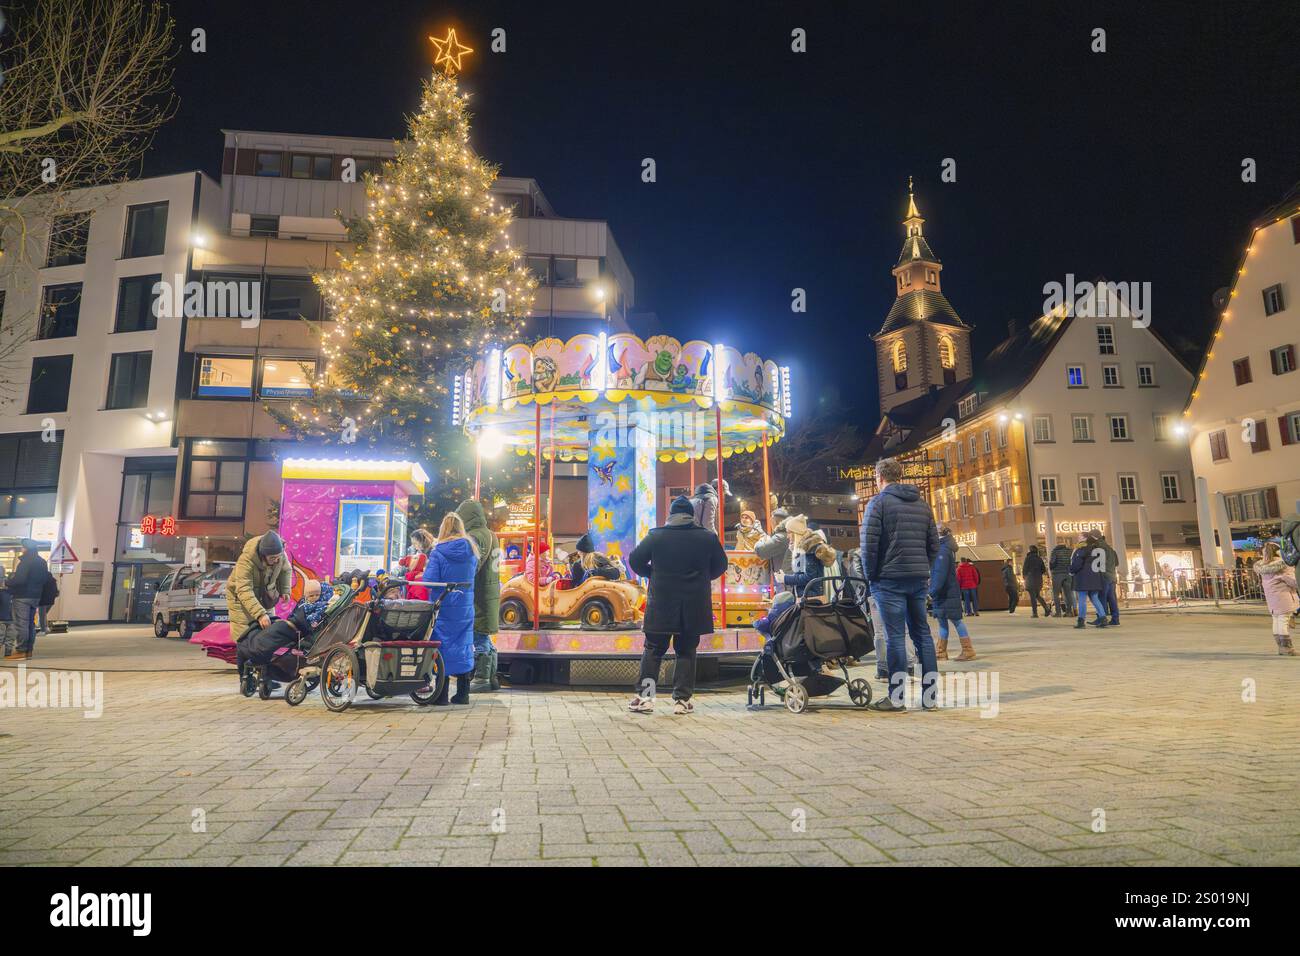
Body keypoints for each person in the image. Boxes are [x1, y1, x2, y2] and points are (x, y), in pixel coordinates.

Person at [626, 495, 729, 715]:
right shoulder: (707, 537)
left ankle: (646, 698)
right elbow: (721, 565)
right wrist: (702, 577)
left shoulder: (656, 536)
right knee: (686, 650)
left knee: (653, 650)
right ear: (691, 516)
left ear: (671, 515)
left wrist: (653, 573)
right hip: (694, 604)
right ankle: (682, 700)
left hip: (661, 603)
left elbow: (634, 560)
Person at [859, 457, 940, 712]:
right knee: (923, 636)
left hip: (888, 580)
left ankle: (897, 698)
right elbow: (934, 545)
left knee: (895, 637)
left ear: (879, 477)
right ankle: (930, 699)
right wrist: (923, 569)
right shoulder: (922, 504)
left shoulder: (878, 503)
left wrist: (871, 576)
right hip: (917, 580)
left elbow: (869, 546)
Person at [423, 512, 479, 705]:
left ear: (443, 529)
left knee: (443, 646)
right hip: (465, 605)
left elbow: (429, 581)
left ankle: (441, 694)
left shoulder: (439, 551)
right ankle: (463, 693)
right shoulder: (472, 549)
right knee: (463, 646)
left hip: (444, 605)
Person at [456, 499, 501, 690]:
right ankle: (492, 677)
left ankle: (481, 678)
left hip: (479, 593)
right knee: (485, 634)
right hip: (490, 591)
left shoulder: (475, 536)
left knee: (479, 635)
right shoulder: (491, 534)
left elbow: (471, 566)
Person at [225, 531, 292, 643]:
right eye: (272, 558)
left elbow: (286, 570)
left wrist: (285, 590)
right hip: (241, 600)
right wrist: (260, 614)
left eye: (278, 557)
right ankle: (244, 659)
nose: (276, 560)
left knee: (269, 632)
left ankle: (263, 659)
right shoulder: (246, 561)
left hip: (265, 596)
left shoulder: (279, 553)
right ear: (263, 555)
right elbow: (244, 589)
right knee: (245, 638)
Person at [929, 525, 976, 662]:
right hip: (946, 592)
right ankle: (941, 652)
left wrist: (932, 591)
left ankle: (968, 650)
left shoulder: (942, 551)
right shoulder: (945, 548)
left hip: (945, 593)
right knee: (943, 622)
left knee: (956, 620)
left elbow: (939, 574)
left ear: (938, 534)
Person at [4, 540, 51, 661]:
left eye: (23, 547)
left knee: (21, 624)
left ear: (26, 549)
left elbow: (20, 580)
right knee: (30, 624)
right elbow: (45, 579)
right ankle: (28, 651)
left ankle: (21, 651)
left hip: (22, 596)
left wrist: (7, 582)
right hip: (35, 596)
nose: (22, 549)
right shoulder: (41, 562)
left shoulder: (25, 562)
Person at [1254, 542, 1298, 655]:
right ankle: (1287, 649)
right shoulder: (1283, 566)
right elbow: (1294, 582)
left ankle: (1281, 647)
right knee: (1283, 621)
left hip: (1272, 600)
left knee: (1277, 620)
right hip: (1284, 598)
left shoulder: (1264, 568)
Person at [1069, 532, 1110, 628]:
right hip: (1095, 578)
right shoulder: (1095, 549)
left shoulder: (1082, 549)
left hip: (1083, 578)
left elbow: (1077, 564)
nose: (1078, 538)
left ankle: (1081, 621)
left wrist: (1071, 571)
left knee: (1082, 599)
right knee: (1095, 598)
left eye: (1079, 536)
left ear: (1085, 538)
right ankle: (1103, 618)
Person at [754, 507, 794, 591]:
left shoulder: (781, 537)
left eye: (771, 521)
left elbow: (760, 550)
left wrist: (761, 540)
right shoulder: (786, 534)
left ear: (775, 521)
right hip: (787, 580)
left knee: (784, 602)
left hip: (786, 583)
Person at [399, 528, 435, 601]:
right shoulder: (419, 552)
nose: (414, 546)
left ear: (422, 541)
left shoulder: (432, 552)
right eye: (413, 544)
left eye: (415, 543)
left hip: (425, 583)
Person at [1021, 546, 1050, 619]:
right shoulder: (1039, 558)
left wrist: (1024, 577)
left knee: (1033, 596)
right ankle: (1046, 608)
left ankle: (1035, 613)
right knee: (1037, 595)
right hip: (1038, 579)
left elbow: (1025, 569)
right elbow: (1043, 569)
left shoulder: (1028, 558)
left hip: (1030, 579)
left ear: (1030, 550)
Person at [1049, 539, 1075, 617]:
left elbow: (1052, 563)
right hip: (1068, 574)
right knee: (1068, 593)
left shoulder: (1055, 552)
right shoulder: (1070, 552)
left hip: (1057, 574)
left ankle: (1058, 612)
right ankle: (1069, 612)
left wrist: (1051, 569)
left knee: (1056, 594)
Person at [1098, 534, 1120, 626]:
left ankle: (1102, 619)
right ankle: (1115, 619)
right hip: (1112, 577)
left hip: (1103, 576)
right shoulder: (1112, 550)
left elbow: (1097, 564)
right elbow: (1117, 563)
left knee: (1102, 598)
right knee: (1112, 599)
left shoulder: (1099, 550)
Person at [0, 562, 16, 658]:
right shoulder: (15, 594)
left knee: (2, 636)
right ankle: (8, 652)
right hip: (11, 618)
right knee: (10, 637)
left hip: (3, 617)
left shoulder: (4, 593)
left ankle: (8, 651)